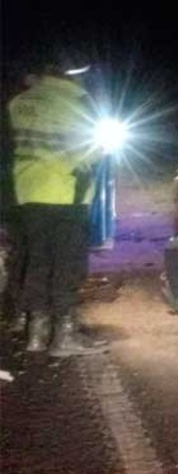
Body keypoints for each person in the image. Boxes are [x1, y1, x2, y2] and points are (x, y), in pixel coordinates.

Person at [8, 61, 108, 356]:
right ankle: (64, 337)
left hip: (27, 190)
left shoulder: (20, 102)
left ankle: (36, 336)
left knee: (37, 261)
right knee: (67, 265)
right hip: (66, 193)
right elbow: (89, 153)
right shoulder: (75, 104)